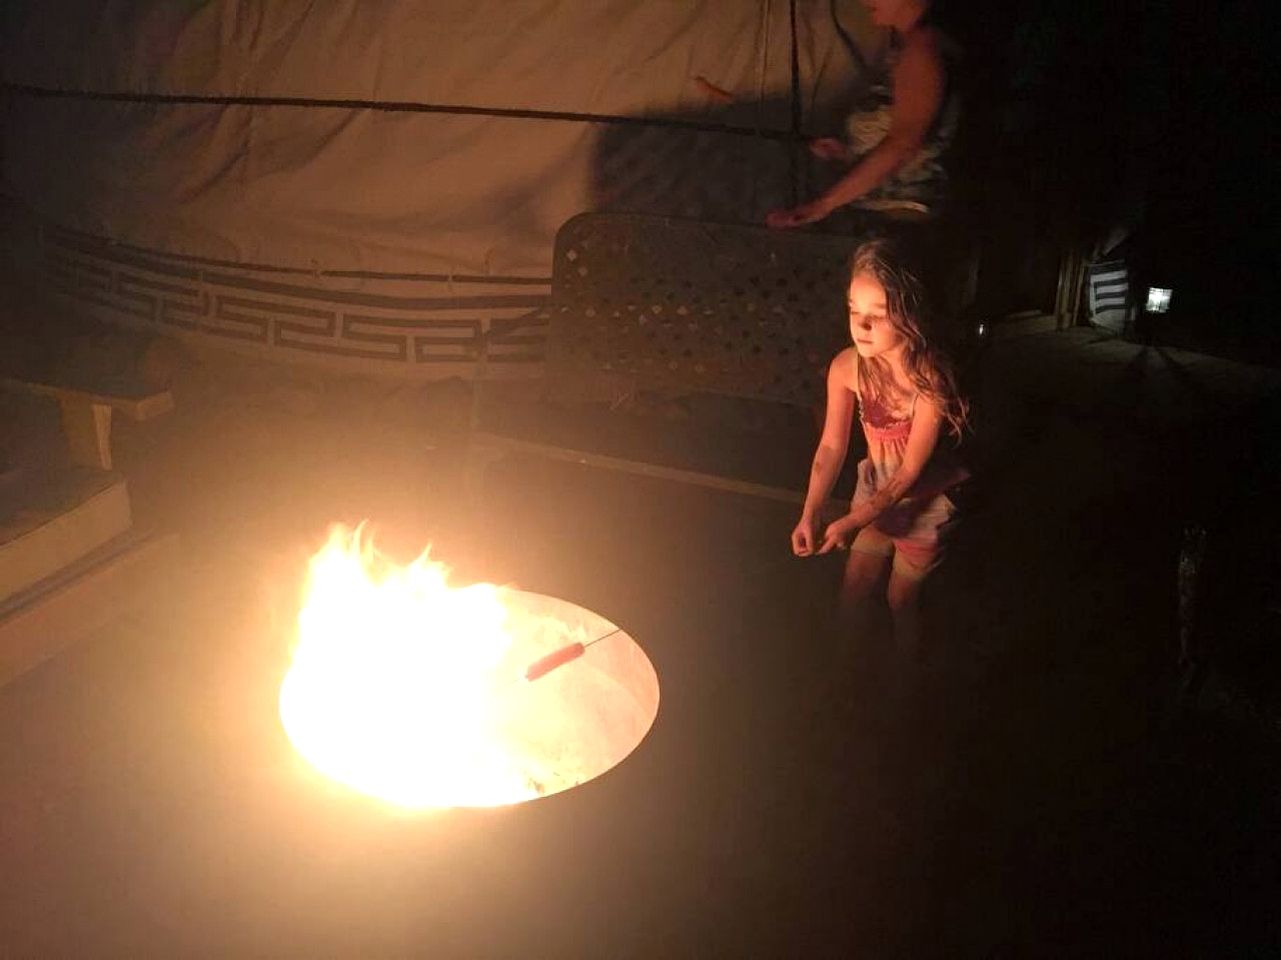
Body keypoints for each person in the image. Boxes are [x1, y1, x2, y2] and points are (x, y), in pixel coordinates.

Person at [791, 238, 969, 656]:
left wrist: (853, 522)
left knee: (900, 600)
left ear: (910, 315)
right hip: (876, 492)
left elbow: (909, 473)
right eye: (854, 310)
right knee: (853, 588)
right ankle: (841, 677)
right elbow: (831, 446)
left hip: (926, 504)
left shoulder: (930, 382)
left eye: (878, 315)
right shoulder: (846, 368)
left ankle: (904, 691)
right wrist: (811, 511)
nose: (861, 326)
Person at [766, 0, 956, 230]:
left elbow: (906, 141)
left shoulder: (922, 49)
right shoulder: (912, 46)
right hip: (891, 214)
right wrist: (851, 154)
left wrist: (822, 206)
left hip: (904, 218)